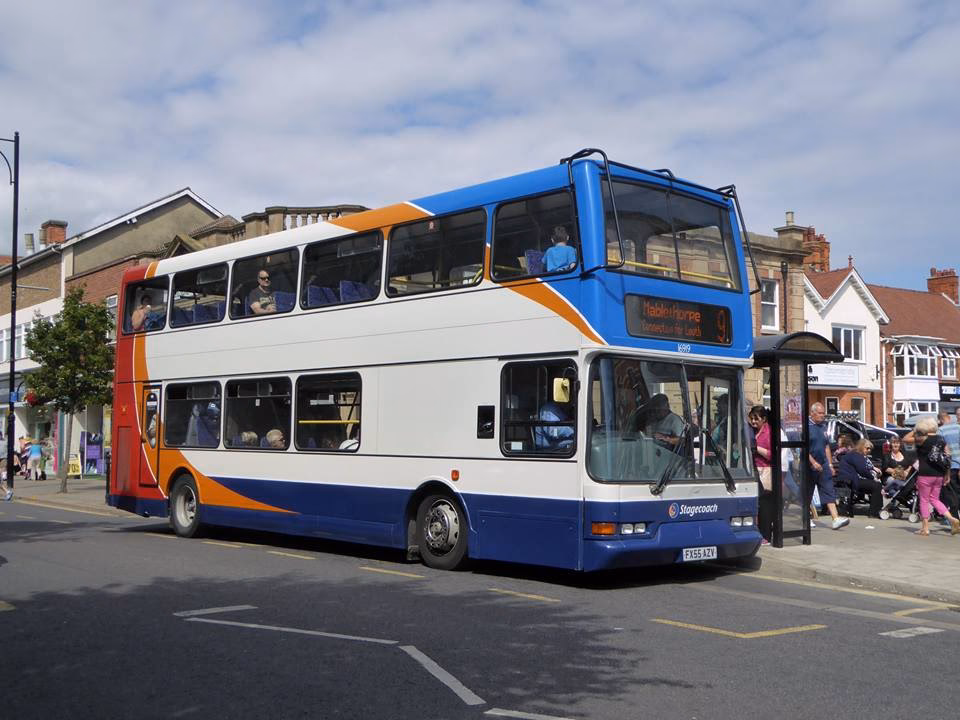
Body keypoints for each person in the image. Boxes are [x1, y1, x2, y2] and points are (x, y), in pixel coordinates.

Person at [904, 416, 960, 536]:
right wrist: (947, 474)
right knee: (935, 499)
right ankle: (952, 519)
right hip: (939, 474)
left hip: (925, 474)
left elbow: (905, 439)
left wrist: (916, 429)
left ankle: (925, 528)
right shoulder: (941, 439)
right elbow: (948, 457)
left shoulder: (921, 438)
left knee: (924, 500)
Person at [807, 402, 849, 530]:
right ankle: (805, 518)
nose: (822, 415)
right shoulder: (806, 427)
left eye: (823, 413)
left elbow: (826, 447)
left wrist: (830, 464)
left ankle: (835, 518)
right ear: (812, 413)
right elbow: (802, 448)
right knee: (807, 491)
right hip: (810, 463)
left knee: (828, 488)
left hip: (823, 463)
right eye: (820, 413)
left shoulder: (823, 426)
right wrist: (813, 462)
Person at [837, 439, 883, 517]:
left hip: (848, 480)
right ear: (861, 447)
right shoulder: (857, 455)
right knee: (877, 486)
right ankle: (874, 512)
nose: (869, 450)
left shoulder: (854, 455)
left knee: (875, 485)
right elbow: (862, 470)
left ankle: (876, 510)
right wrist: (872, 477)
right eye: (867, 448)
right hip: (851, 481)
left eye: (870, 449)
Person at [748, 406, 773, 543]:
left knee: (765, 505)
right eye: (751, 419)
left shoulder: (769, 433)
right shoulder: (752, 431)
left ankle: (766, 535)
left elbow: (771, 455)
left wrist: (756, 448)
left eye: (756, 419)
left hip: (765, 470)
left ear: (764, 419)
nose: (753, 422)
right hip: (753, 470)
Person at [938, 410, 960, 521]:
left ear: (940, 420)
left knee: (952, 494)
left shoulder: (940, 430)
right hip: (959, 465)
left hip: (950, 467)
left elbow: (940, 450)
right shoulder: (958, 428)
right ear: (949, 418)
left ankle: (955, 519)